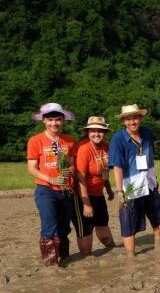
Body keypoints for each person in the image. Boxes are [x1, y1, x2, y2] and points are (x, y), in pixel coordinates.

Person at [108, 104, 160, 256]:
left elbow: (150, 157)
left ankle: (158, 247)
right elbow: (117, 166)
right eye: (128, 119)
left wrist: (154, 177)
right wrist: (120, 192)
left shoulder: (147, 133)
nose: (132, 122)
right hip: (130, 187)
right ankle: (131, 256)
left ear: (140, 118)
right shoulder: (117, 139)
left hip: (149, 183)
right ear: (123, 121)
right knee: (129, 224)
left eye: (135, 118)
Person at [26, 103, 78, 265]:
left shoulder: (69, 140)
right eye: (50, 120)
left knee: (64, 228)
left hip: (66, 190)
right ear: (44, 121)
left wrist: (70, 170)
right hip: (46, 190)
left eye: (58, 119)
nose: (54, 123)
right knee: (49, 226)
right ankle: (51, 263)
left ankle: (64, 258)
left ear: (63, 120)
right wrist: (51, 179)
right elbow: (32, 168)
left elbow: (72, 165)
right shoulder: (35, 141)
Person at [74, 116, 116, 256]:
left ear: (105, 132)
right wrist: (86, 203)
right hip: (83, 194)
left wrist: (108, 189)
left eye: (100, 131)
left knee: (103, 222)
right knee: (87, 228)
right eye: (93, 131)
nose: (97, 134)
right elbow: (80, 178)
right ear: (88, 132)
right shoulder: (83, 148)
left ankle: (111, 250)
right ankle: (86, 255)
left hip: (98, 193)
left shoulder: (106, 146)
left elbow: (105, 170)